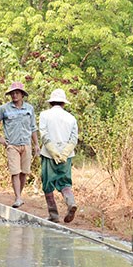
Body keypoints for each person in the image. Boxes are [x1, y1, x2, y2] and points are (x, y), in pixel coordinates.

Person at [0, 81, 40, 208]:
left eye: (17, 93)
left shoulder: (29, 109)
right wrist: (0, 138)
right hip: (12, 145)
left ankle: (19, 195)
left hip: (26, 144)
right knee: (15, 172)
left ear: (22, 95)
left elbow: (33, 127)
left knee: (24, 172)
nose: (14, 95)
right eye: (12, 93)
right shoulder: (4, 109)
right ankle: (18, 197)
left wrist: (36, 144)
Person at [38, 89, 79, 223]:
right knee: (65, 183)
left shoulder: (44, 115)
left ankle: (54, 214)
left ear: (51, 102)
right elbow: (74, 139)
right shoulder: (71, 118)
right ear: (64, 103)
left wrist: (53, 151)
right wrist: (64, 153)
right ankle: (71, 202)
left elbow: (44, 135)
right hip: (66, 156)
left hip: (48, 155)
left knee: (47, 184)